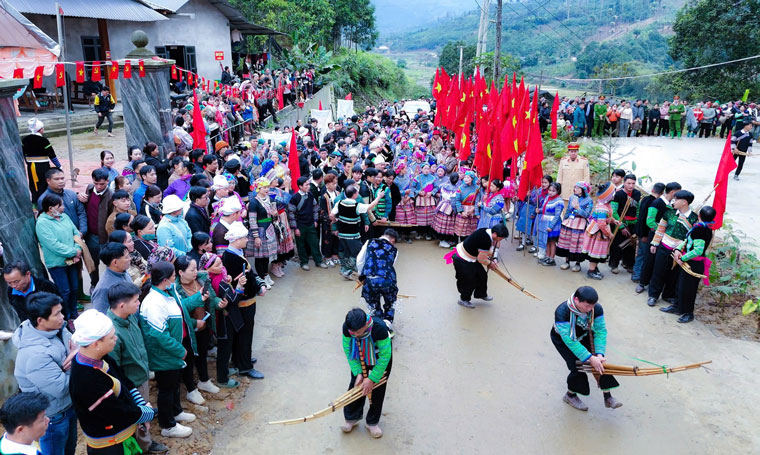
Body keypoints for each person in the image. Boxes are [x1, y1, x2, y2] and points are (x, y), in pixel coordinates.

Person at [69, 309, 157, 452]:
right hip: (111, 446)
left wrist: (141, 406)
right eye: (111, 337)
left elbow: (123, 380)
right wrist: (147, 413)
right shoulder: (86, 381)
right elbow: (117, 412)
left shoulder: (99, 356)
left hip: (122, 436)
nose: (115, 338)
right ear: (96, 343)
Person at [106, 282, 168, 454]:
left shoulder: (130, 317)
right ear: (122, 305)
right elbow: (114, 369)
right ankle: (145, 445)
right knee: (137, 418)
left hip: (141, 375)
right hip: (131, 383)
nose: (139, 303)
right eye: (135, 300)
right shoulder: (112, 333)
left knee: (141, 412)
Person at [12, 292, 77, 455]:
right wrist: (76, 363)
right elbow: (61, 388)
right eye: (57, 314)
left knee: (69, 448)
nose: (63, 317)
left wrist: (74, 356)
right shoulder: (36, 355)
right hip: (53, 415)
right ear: (40, 320)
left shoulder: (55, 329)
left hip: (67, 406)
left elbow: (74, 347)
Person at [139, 261, 196, 439]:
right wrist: (179, 350)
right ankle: (167, 425)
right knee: (166, 389)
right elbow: (159, 335)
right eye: (173, 276)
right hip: (164, 354)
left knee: (173, 385)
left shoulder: (165, 293)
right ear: (165, 279)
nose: (175, 278)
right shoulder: (154, 302)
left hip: (171, 353)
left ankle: (176, 411)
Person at [550, 286, 621, 412]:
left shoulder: (596, 309)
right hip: (563, 340)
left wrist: (598, 354)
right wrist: (588, 357)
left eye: (592, 306)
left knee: (601, 363)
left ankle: (607, 396)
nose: (590, 310)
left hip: (585, 333)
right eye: (587, 306)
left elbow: (600, 331)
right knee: (578, 367)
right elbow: (570, 341)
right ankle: (570, 395)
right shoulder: (562, 312)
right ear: (576, 300)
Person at [174, 256, 224, 405]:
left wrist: (218, 303)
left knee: (202, 354)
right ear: (181, 272)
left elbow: (212, 298)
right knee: (189, 359)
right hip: (188, 330)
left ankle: (204, 380)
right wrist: (195, 322)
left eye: (196, 268)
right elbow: (180, 310)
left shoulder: (201, 280)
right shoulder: (176, 289)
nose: (196, 272)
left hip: (204, 326)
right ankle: (191, 389)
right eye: (192, 269)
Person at [221, 222, 265, 379]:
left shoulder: (235, 253)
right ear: (236, 240)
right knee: (245, 335)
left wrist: (259, 285)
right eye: (244, 237)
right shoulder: (232, 259)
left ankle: (240, 359)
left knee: (242, 334)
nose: (247, 240)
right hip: (243, 303)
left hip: (245, 301)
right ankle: (245, 366)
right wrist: (257, 287)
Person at [341, 308, 392, 439]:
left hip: (379, 357)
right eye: (353, 332)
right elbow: (348, 350)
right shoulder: (348, 329)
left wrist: (372, 378)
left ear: (365, 325)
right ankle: (351, 418)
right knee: (356, 385)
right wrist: (358, 372)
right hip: (358, 355)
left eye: (358, 332)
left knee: (377, 388)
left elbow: (385, 356)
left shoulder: (379, 328)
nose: (355, 335)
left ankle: (372, 422)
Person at [660, 206, 716, 323]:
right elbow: (686, 240)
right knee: (679, 285)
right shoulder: (699, 228)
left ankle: (688, 313)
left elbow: (698, 251)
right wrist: (678, 250)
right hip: (687, 261)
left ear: (699, 216)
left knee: (689, 289)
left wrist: (682, 258)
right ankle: (677, 306)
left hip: (694, 264)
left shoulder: (702, 230)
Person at [35, 194, 83, 322]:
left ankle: (74, 314)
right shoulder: (42, 223)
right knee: (64, 291)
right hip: (57, 264)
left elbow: (76, 233)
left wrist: (78, 249)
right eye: (60, 205)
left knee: (74, 288)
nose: (63, 207)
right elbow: (53, 245)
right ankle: (65, 317)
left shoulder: (64, 217)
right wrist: (74, 252)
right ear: (51, 208)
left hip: (73, 260)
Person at [647, 190, 698, 307]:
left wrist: (681, 250)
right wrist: (654, 243)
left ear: (684, 202)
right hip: (664, 246)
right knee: (658, 271)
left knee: (673, 274)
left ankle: (667, 295)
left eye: (676, 199)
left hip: (678, 252)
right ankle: (653, 295)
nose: (673, 201)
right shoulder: (669, 213)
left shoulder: (694, 219)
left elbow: (691, 237)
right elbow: (661, 228)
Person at [198, 252, 242, 389]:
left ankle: (225, 371)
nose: (221, 266)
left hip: (221, 318)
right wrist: (239, 287)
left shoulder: (213, 279)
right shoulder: (218, 283)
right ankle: (222, 378)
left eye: (221, 263)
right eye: (217, 265)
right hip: (224, 320)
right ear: (207, 268)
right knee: (224, 349)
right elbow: (233, 300)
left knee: (225, 347)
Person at [446, 224, 509, 308]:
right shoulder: (485, 240)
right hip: (462, 258)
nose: (501, 240)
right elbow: (481, 259)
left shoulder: (486, 231)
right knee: (469, 280)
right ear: (495, 234)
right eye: (501, 238)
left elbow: (488, 249)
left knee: (482, 275)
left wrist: (493, 258)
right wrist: (490, 264)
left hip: (471, 256)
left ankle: (481, 294)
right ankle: (463, 299)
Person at [331, 185, 386, 279]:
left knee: (347, 252)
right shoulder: (357, 206)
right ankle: (346, 270)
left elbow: (331, 215)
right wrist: (379, 197)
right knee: (358, 252)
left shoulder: (339, 203)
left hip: (342, 235)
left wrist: (336, 220)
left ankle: (346, 271)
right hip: (353, 236)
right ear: (355, 194)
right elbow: (371, 206)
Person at [636, 182, 681, 293]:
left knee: (659, 261)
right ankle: (642, 282)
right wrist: (661, 230)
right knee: (649, 259)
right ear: (673, 192)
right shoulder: (656, 203)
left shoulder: (672, 206)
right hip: (655, 235)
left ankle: (654, 283)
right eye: (678, 193)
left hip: (666, 237)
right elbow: (650, 221)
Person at [356, 229, 399, 324]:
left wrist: (361, 275)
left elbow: (359, 260)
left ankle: (378, 322)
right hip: (388, 280)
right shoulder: (394, 250)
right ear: (393, 240)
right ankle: (387, 324)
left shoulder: (369, 242)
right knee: (390, 304)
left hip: (370, 279)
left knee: (373, 305)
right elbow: (390, 265)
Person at [288, 176, 327, 270]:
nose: (309, 186)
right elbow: (291, 214)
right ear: (300, 186)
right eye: (306, 185)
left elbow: (315, 207)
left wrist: (315, 220)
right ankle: (304, 262)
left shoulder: (310, 195)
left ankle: (318, 261)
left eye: (309, 184)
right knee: (301, 245)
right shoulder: (295, 198)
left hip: (310, 224)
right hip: (300, 225)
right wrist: (295, 228)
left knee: (314, 243)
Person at [246, 178, 279, 288]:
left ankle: (266, 274)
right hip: (260, 230)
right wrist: (256, 237)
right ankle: (261, 278)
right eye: (264, 187)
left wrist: (275, 214)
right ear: (258, 188)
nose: (266, 189)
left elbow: (273, 215)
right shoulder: (254, 202)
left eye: (267, 187)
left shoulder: (268, 199)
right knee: (260, 257)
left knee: (266, 256)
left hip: (269, 228)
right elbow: (252, 220)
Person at [631, 183, 664, 284]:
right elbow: (647, 221)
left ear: (653, 189)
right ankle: (638, 275)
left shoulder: (645, 199)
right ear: (662, 193)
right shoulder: (655, 203)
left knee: (641, 254)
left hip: (640, 231)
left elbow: (640, 217)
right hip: (645, 233)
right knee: (644, 255)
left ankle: (636, 274)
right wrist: (645, 234)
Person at [22, 118, 61, 204]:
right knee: (44, 183)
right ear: (40, 129)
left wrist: (28, 162)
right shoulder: (44, 141)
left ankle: (35, 202)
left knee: (33, 184)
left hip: (31, 166)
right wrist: (59, 166)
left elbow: (23, 153)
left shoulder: (25, 140)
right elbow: (52, 155)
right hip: (43, 166)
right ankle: (45, 202)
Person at [556, 182, 593, 272]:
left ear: (583, 190)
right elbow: (568, 209)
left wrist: (578, 208)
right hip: (569, 222)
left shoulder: (589, 200)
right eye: (575, 187)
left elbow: (587, 214)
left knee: (577, 244)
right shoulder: (572, 197)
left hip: (580, 223)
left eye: (577, 188)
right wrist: (564, 220)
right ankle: (567, 261)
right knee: (567, 241)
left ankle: (577, 263)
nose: (575, 189)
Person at [582, 182, 616, 280]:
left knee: (597, 252)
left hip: (600, 231)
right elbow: (601, 224)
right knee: (595, 253)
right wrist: (609, 234)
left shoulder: (606, 204)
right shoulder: (602, 208)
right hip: (598, 233)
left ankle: (594, 268)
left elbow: (609, 216)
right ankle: (591, 271)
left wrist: (614, 220)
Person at [608, 174, 641, 274]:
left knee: (631, 244)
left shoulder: (637, 194)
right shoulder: (618, 194)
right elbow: (614, 211)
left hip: (633, 223)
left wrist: (637, 221)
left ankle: (628, 264)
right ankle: (614, 264)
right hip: (620, 222)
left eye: (633, 183)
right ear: (624, 183)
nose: (631, 186)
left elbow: (638, 209)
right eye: (628, 183)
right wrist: (621, 226)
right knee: (617, 244)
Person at [91, 242, 132, 314]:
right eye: (126, 257)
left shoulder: (123, 272)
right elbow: (100, 316)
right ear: (115, 262)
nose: (130, 259)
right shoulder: (103, 289)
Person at [536, 182, 564, 266]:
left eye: (553, 191)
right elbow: (544, 209)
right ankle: (547, 256)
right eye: (549, 190)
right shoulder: (548, 198)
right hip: (544, 222)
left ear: (558, 191)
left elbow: (557, 215)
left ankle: (552, 258)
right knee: (547, 241)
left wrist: (551, 226)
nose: (550, 192)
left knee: (552, 242)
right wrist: (539, 210)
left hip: (553, 224)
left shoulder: (559, 201)